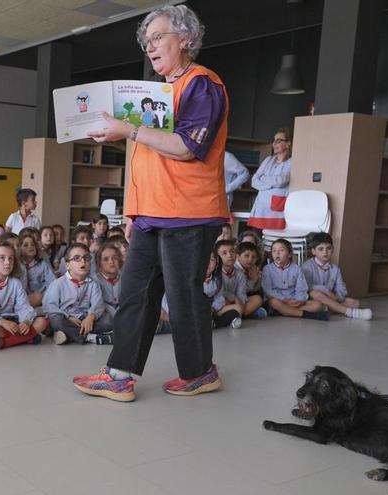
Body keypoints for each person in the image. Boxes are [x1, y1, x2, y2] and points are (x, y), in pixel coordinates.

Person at [73, 5, 227, 402]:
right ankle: (119, 374)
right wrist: (132, 212)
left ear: (186, 38)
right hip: (150, 213)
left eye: (158, 37)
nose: (151, 47)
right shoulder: (157, 93)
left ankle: (199, 373)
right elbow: (146, 158)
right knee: (135, 292)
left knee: (182, 295)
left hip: (189, 211)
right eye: (147, 41)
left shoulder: (201, 84)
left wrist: (129, 129)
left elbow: (187, 147)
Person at [0, 241, 48, 350]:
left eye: (11, 258)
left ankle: (5, 342)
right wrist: (1, 322)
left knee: (42, 322)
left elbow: (24, 307)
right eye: (2, 258)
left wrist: (26, 321)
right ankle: (27, 338)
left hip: (14, 322)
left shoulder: (16, 283)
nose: (7, 262)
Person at [44, 243, 114, 345]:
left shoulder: (93, 284)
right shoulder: (58, 283)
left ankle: (68, 335)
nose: (83, 261)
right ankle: (90, 338)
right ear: (67, 265)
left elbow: (98, 304)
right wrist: (67, 317)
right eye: (77, 258)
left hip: (84, 318)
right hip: (66, 318)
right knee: (56, 320)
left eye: (86, 258)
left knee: (107, 320)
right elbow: (49, 306)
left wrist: (91, 316)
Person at [301, 232, 372, 320]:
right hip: (312, 299)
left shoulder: (335, 269)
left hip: (330, 298)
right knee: (315, 293)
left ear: (333, 249)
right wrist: (327, 291)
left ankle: (326, 309)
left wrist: (338, 297)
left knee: (355, 303)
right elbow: (308, 287)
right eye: (321, 249)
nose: (325, 252)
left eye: (328, 248)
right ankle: (349, 312)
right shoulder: (307, 266)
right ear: (313, 251)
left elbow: (341, 288)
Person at [262, 239, 329, 320]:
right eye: (274, 251)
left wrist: (299, 301)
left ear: (289, 254)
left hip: (294, 300)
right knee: (274, 303)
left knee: (317, 305)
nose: (277, 253)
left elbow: (301, 288)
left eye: (281, 250)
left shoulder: (297, 269)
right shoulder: (267, 269)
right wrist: (284, 300)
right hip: (278, 300)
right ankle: (306, 315)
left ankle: (285, 312)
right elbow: (268, 290)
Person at [247, 128, 292, 230]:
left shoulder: (291, 162)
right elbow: (254, 181)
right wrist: (271, 183)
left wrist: (262, 178)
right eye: (274, 141)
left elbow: (281, 181)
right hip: (260, 211)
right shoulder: (268, 160)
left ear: (288, 144)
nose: (274, 144)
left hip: (275, 213)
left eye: (278, 141)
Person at [204, 239, 246, 329]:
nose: (230, 255)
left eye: (232, 252)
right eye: (224, 253)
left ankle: (213, 321)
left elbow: (240, 296)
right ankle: (215, 321)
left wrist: (234, 300)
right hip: (206, 308)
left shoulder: (217, 279)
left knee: (239, 308)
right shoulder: (216, 275)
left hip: (220, 306)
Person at [19, 232, 55, 306]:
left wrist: (45, 297)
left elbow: (52, 283)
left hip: (43, 297)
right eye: (25, 245)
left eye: (33, 244)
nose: (30, 247)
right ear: (19, 249)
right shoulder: (19, 266)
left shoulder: (42, 264)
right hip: (25, 299)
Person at [234, 241, 267, 319]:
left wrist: (257, 279)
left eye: (253, 257)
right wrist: (253, 280)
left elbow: (255, 290)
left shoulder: (253, 268)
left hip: (244, 298)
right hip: (234, 297)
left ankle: (242, 314)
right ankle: (243, 314)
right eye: (246, 255)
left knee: (258, 299)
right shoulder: (235, 269)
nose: (250, 259)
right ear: (238, 256)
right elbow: (239, 290)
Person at [94, 243, 123, 318]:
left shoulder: (126, 277)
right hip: (104, 313)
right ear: (99, 264)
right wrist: (116, 314)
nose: (111, 262)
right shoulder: (95, 281)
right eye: (106, 259)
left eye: (115, 258)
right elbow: (100, 303)